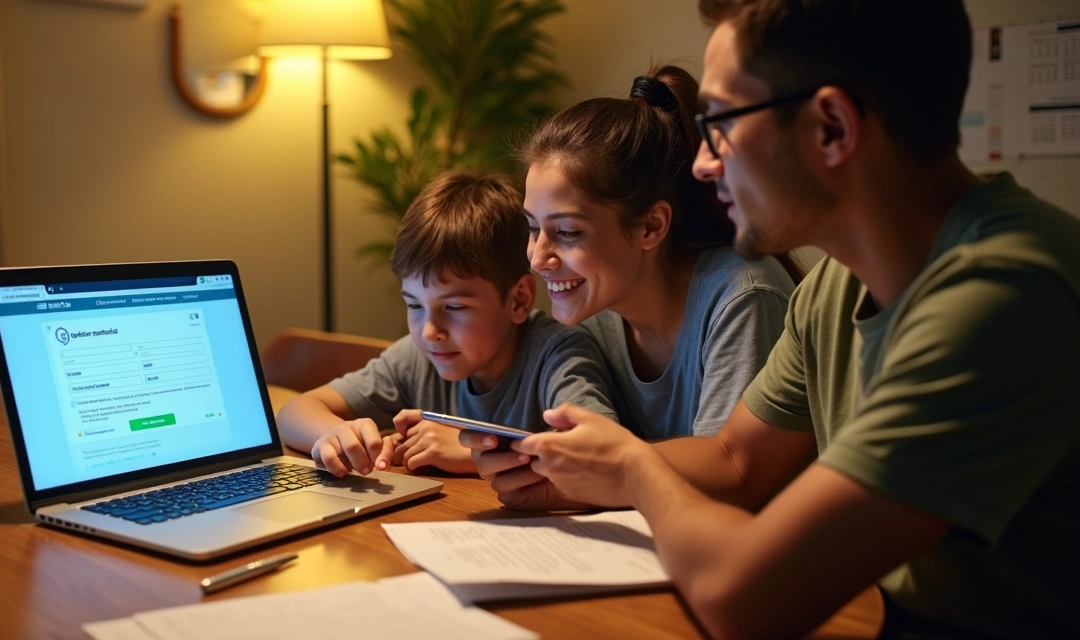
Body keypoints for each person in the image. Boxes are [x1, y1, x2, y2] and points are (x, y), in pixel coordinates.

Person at [464, 0, 1080, 637]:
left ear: (832, 128)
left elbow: (744, 600)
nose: (702, 164)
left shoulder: (1004, 292)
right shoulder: (835, 286)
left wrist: (631, 468)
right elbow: (735, 462)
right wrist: (570, 479)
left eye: (724, 122)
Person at [521, 63, 798, 442]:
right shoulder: (591, 317)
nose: (538, 258)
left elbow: (729, 473)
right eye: (533, 228)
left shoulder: (743, 295)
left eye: (567, 232)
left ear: (651, 226)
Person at [277, 170, 616, 477]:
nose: (429, 331)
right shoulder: (417, 357)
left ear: (519, 300)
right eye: (414, 305)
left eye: (453, 306)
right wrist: (334, 433)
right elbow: (294, 411)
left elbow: (601, 450)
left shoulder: (559, 354)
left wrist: (474, 450)